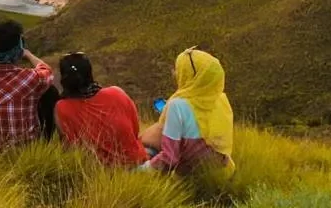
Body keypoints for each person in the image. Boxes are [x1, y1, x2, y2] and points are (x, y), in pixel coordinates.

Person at [0, 20, 58, 152]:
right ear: (19, 49)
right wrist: (28, 54)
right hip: (25, 152)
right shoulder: (31, 79)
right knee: (50, 91)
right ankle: (46, 142)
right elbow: (47, 70)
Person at [140, 47, 235, 175]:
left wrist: (139, 171)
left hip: (191, 174)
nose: (175, 73)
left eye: (180, 70)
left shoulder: (177, 105)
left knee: (149, 145)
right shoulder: (222, 100)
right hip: (222, 170)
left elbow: (169, 158)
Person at [53, 52, 148, 167]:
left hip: (101, 175)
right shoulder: (117, 93)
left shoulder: (62, 108)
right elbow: (135, 131)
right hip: (138, 164)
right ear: (89, 74)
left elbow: (70, 148)